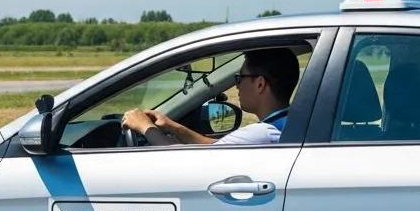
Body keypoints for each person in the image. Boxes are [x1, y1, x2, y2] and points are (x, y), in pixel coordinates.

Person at [121, 48, 299, 146]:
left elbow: (188, 160)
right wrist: (173, 127)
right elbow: (217, 146)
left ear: (260, 84)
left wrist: (145, 127)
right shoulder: (287, 124)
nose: (237, 85)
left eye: (240, 78)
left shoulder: (263, 134)